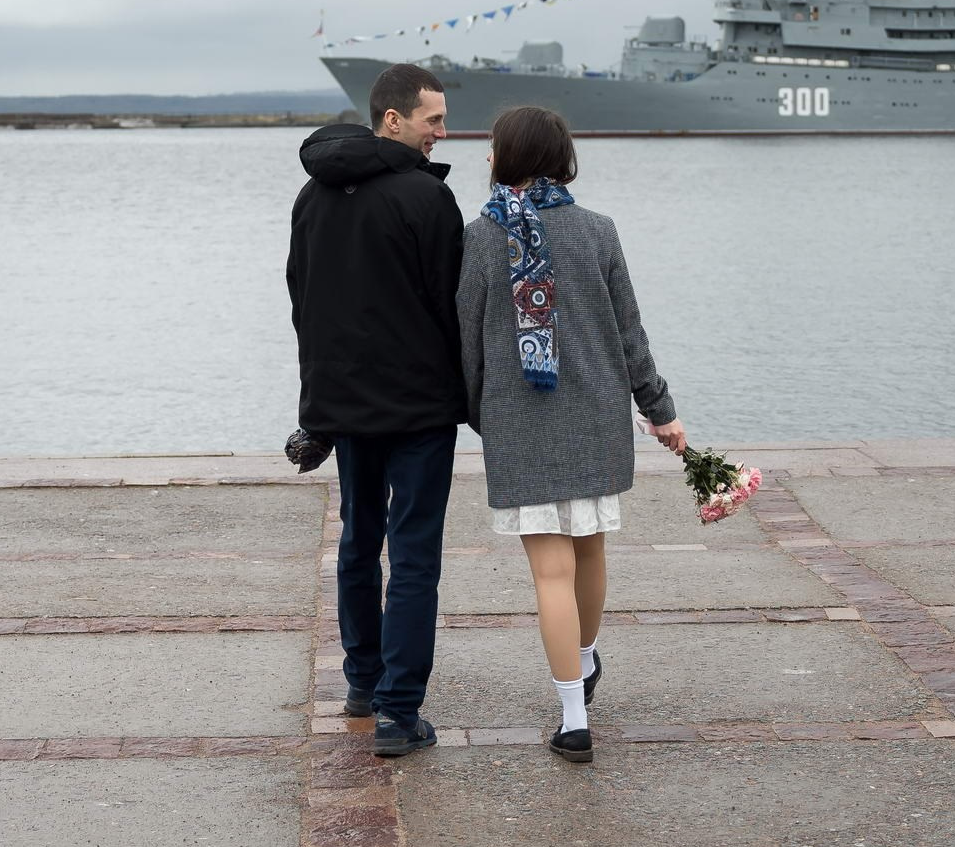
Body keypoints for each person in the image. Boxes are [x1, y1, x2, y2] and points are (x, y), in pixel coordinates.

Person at [458, 104, 685, 763]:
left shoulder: (480, 238)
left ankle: (574, 717)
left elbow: (466, 346)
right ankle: (584, 662)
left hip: (521, 423)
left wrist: (483, 413)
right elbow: (628, 334)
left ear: (507, 157)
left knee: (549, 575)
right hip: (594, 416)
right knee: (589, 555)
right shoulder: (598, 231)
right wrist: (660, 408)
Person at [288, 63, 464, 757]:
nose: (442, 133)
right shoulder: (426, 200)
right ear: (392, 119)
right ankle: (397, 712)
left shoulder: (312, 195)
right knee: (415, 555)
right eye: (433, 121)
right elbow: (454, 307)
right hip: (419, 409)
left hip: (348, 407)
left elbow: (304, 303)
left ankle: (362, 682)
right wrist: (471, 397)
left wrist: (317, 409)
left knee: (360, 544)